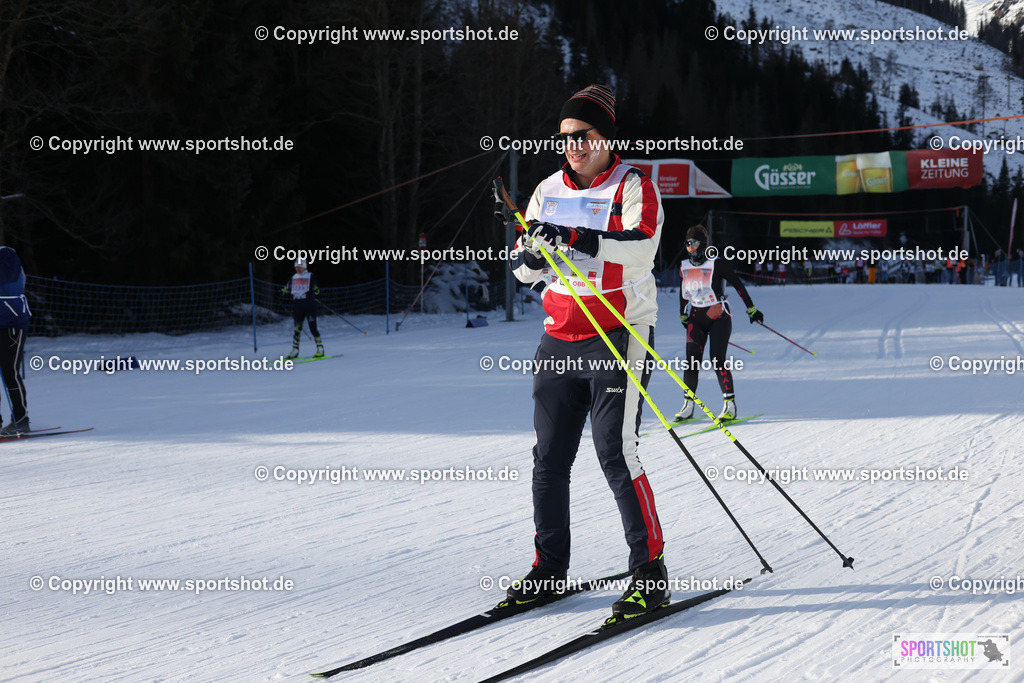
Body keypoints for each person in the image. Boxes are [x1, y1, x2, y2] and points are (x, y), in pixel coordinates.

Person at [506, 84, 668, 620]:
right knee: (549, 458)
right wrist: (534, 254)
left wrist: (573, 237)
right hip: (559, 336)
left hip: (618, 333)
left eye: (582, 135)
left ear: (605, 137)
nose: (572, 146)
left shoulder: (633, 185)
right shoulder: (546, 189)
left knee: (616, 452)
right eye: (565, 137)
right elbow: (521, 269)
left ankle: (650, 576)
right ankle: (549, 569)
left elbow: (641, 249)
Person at [674, 225, 762, 423]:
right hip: (696, 317)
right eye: (687, 244)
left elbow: (738, 284)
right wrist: (682, 312)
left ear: (703, 244)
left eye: (693, 243)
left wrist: (751, 308)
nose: (690, 247)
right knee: (691, 361)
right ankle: (688, 405)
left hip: (718, 316)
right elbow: (682, 290)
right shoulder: (684, 266)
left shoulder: (717, 263)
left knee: (717, 359)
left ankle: (730, 405)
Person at [0, 246, 30, 435]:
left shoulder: (6, 254)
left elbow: (8, 277)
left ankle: (21, 420)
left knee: (9, 372)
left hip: (11, 324)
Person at [281, 257, 323, 359]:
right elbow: (287, 287)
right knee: (297, 328)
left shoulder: (310, 275)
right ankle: (295, 350)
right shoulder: (294, 277)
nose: (297, 269)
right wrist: (282, 291)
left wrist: (315, 290)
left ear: (304, 267)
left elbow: (316, 287)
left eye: (299, 267)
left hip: (309, 303)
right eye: (296, 267)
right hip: (298, 304)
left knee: (312, 327)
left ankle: (320, 348)